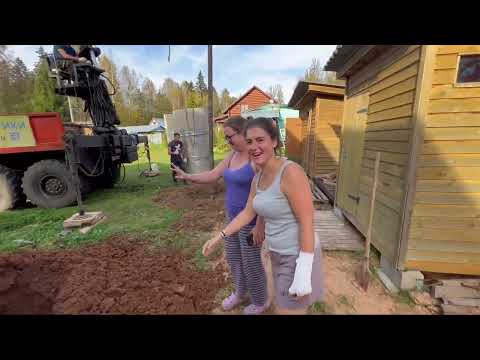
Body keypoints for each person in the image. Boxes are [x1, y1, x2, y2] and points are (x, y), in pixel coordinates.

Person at [202, 117, 324, 315]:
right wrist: (219, 237)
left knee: (287, 311)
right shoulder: (258, 177)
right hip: (278, 254)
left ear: (274, 141)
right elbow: (247, 212)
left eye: (260, 140)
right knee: (283, 306)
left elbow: (307, 221)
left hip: (297, 256)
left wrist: (303, 270)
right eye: (249, 142)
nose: (254, 147)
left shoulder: (291, 172)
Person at [171, 116, 269, 315]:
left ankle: (261, 301)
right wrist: (188, 176)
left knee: (251, 263)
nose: (227, 141)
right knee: (234, 260)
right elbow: (213, 174)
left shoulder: (255, 158)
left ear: (242, 133)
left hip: (249, 222)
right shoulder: (232, 156)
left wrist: (260, 225)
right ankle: (241, 292)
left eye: (229, 137)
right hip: (231, 219)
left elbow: (264, 196)